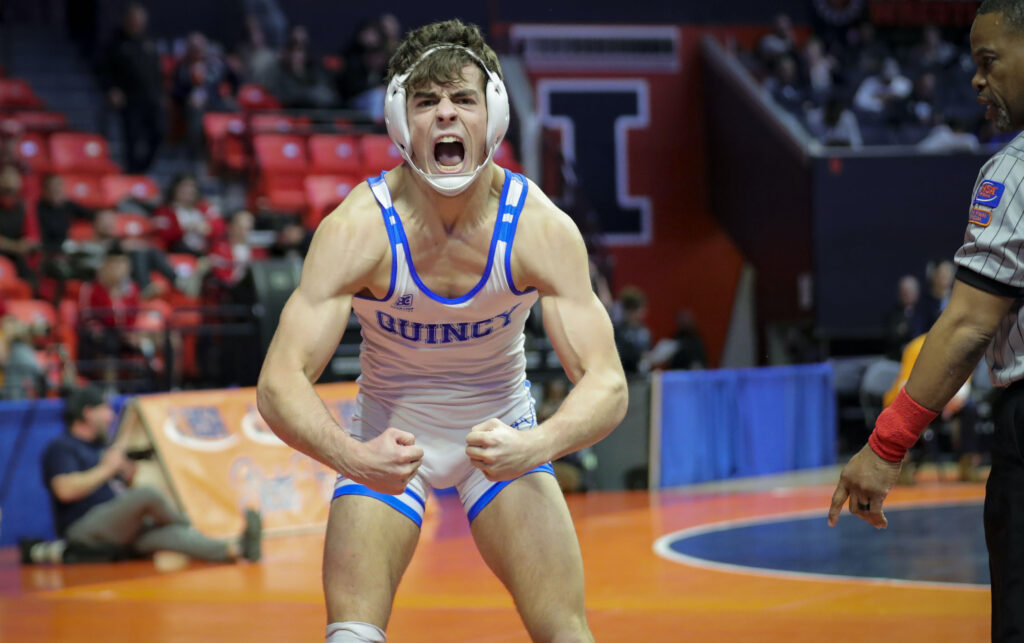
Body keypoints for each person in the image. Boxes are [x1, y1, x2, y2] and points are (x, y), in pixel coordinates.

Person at [257, 19, 627, 643]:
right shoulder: (358, 229)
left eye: (463, 99)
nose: (446, 116)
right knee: (350, 635)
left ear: (496, 114)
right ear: (401, 121)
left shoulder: (540, 228)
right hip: (388, 439)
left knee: (568, 634)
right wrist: (353, 457)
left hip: (504, 438)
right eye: (426, 102)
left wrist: (539, 446)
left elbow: (608, 383)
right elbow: (277, 382)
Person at [829, 2, 1024, 639]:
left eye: (988, 61)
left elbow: (969, 322)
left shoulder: (1014, 172)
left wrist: (886, 446)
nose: (975, 80)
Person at [23, 385, 261, 565]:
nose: (110, 416)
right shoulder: (62, 447)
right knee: (147, 495)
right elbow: (64, 490)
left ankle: (236, 550)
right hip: (84, 529)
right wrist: (106, 469)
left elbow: (119, 483)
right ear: (87, 413)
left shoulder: (99, 448)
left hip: (118, 528)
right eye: (104, 409)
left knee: (169, 536)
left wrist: (124, 472)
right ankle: (190, 523)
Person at [97, 3, 164, 173]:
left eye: (140, 19)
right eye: (134, 19)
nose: (137, 23)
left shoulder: (149, 42)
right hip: (129, 99)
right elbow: (103, 70)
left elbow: (156, 71)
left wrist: (162, 93)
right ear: (126, 20)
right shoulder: (115, 43)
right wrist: (111, 89)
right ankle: (132, 173)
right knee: (132, 139)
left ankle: (141, 170)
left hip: (151, 98)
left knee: (159, 133)